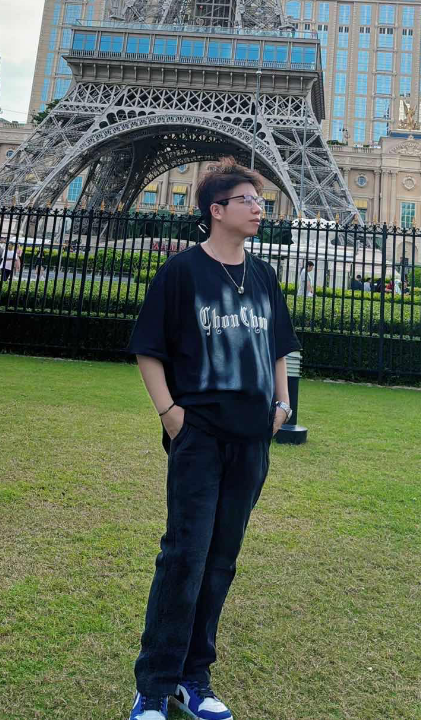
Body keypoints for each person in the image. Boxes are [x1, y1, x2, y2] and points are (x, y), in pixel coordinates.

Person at [126, 157, 300, 720]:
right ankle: (154, 685)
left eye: (260, 201)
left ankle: (193, 678)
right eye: (248, 200)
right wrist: (171, 414)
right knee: (184, 556)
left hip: (252, 438)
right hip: (198, 435)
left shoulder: (263, 275)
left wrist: (282, 404)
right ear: (216, 210)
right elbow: (148, 348)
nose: (259, 209)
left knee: (222, 560)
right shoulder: (181, 272)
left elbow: (279, 346)